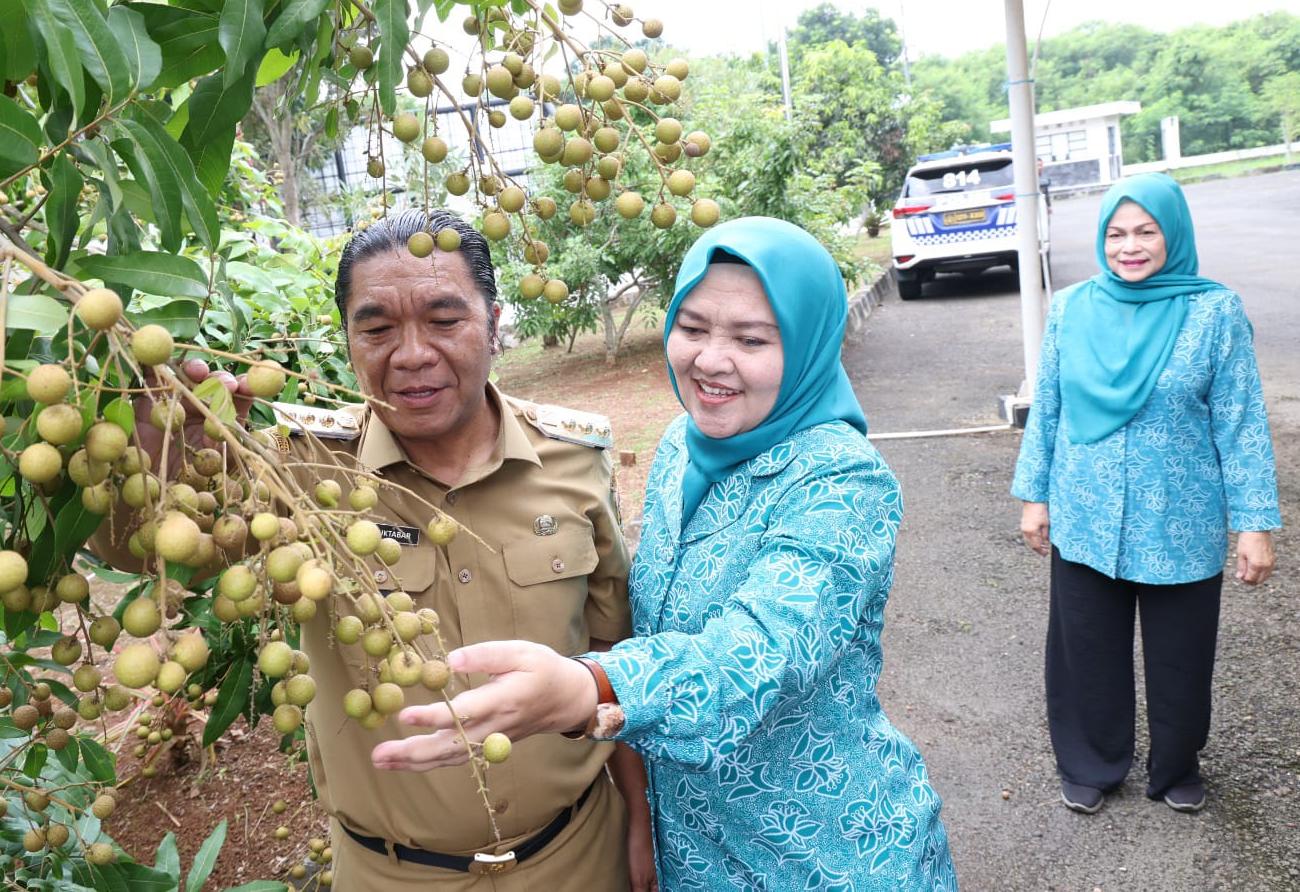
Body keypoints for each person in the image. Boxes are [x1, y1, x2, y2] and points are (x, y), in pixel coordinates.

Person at [371, 216, 958, 891]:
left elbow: (760, 653)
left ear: (807, 345)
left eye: (752, 339)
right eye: (694, 327)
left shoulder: (841, 480)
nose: (710, 360)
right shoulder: (684, 445)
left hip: (824, 853)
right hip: (697, 854)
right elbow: (651, 623)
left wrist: (589, 686)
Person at [91, 208, 654, 890]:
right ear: (350, 339)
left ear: (495, 322)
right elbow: (151, 553)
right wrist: (159, 467)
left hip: (578, 859)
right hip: (390, 874)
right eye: (378, 327)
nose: (412, 354)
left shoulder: (572, 459)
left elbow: (615, 661)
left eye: (445, 320)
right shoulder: (296, 474)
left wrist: (640, 819)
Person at [1010, 172, 1280, 815]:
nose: (1129, 247)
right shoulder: (1071, 308)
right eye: (1116, 233)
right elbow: (1047, 406)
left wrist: (1255, 522)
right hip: (1086, 510)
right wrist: (1035, 495)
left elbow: (1241, 421)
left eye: (1146, 232)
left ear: (1173, 235)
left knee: (1182, 657)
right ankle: (1090, 762)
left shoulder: (1214, 312)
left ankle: (1176, 764)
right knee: (1085, 651)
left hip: (1180, 517)